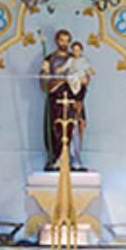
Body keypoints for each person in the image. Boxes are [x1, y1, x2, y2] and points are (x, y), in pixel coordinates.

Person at [39, 28, 91, 168]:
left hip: (72, 97)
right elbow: (43, 85)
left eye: (67, 40)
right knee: (56, 128)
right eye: (62, 40)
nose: (64, 43)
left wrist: (83, 81)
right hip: (56, 98)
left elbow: (84, 78)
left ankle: (72, 158)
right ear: (57, 41)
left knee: (71, 128)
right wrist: (44, 73)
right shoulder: (50, 59)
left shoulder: (74, 59)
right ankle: (56, 158)